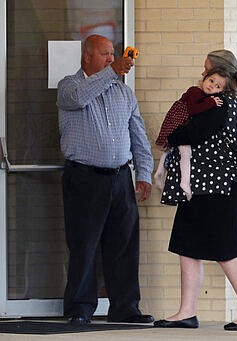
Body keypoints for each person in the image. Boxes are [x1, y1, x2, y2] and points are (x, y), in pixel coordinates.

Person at [153, 50, 237, 331]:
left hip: (219, 188)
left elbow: (190, 132)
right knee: (187, 246)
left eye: (207, 71)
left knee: (226, 248)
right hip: (202, 188)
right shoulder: (232, 102)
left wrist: (172, 135)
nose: (202, 76)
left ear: (222, 76)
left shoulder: (219, 104)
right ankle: (186, 312)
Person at [57, 34, 154, 325]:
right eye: (105, 54)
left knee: (123, 244)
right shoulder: (69, 86)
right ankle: (79, 309)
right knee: (84, 244)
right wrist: (112, 73)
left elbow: (138, 135)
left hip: (120, 178)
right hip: (85, 178)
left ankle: (125, 308)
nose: (112, 59)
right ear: (87, 56)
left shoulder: (123, 93)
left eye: (113, 54)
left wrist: (144, 173)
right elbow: (78, 98)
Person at [154, 68, 233, 200]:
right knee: (185, 151)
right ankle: (184, 182)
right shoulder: (195, 91)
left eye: (217, 86)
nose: (212, 86)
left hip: (180, 121)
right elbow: (193, 110)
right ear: (204, 79)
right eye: (211, 80)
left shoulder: (202, 95)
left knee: (171, 148)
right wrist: (211, 102)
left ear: (221, 91)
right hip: (179, 120)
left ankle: (160, 172)